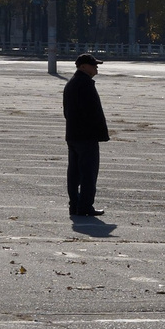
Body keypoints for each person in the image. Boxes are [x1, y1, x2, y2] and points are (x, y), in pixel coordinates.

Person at [63, 52, 109, 219]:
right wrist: (99, 132)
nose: (96, 68)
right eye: (94, 65)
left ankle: (74, 205)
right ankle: (85, 206)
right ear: (83, 66)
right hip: (86, 136)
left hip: (73, 135)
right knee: (88, 173)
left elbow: (66, 111)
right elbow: (92, 112)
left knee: (74, 173)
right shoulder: (85, 84)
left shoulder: (72, 83)